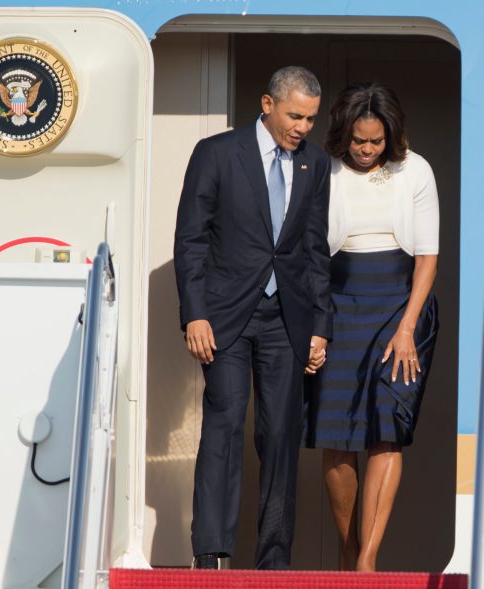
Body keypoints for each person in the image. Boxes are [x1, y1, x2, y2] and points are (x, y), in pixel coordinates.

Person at [173, 66, 333, 570]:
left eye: (310, 118)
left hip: (288, 318)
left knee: (282, 436)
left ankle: (274, 559)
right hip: (224, 318)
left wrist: (320, 327)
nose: (302, 127)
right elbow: (191, 240)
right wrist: (194, 314)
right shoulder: (217, 153)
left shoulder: (316, 166)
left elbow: (315, 249)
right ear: (267, 104)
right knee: (223, 425)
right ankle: (212, 553)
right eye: (294, 115)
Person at [303, 82, 439, 571]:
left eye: (375, 141)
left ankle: (368, 561)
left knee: (386, 428)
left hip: (401, 305)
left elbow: (427, 257)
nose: (366, 150)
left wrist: (406, 329)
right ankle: (348, 549)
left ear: (391, 135)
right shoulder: (325, 170)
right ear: (344, 134)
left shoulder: (415, 170)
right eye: (358, 140)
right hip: (338, 301)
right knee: (337, 435)